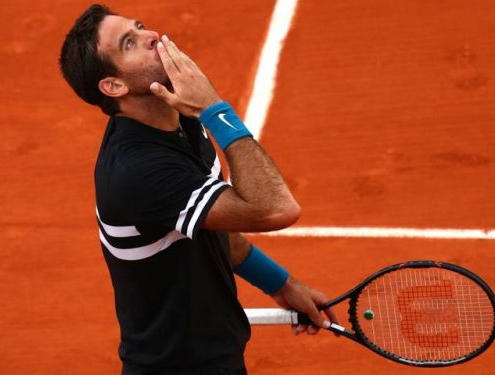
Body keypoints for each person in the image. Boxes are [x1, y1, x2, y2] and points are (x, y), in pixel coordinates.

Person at [59, 4, 338, 374]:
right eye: (129, 42)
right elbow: (276, 209)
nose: (151, 36)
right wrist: (215, 110)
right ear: (114, 86)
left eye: (140, 26)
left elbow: (219, 224)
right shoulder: (140, 171)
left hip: (214, 354)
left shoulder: (178, 119)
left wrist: (282, 284)